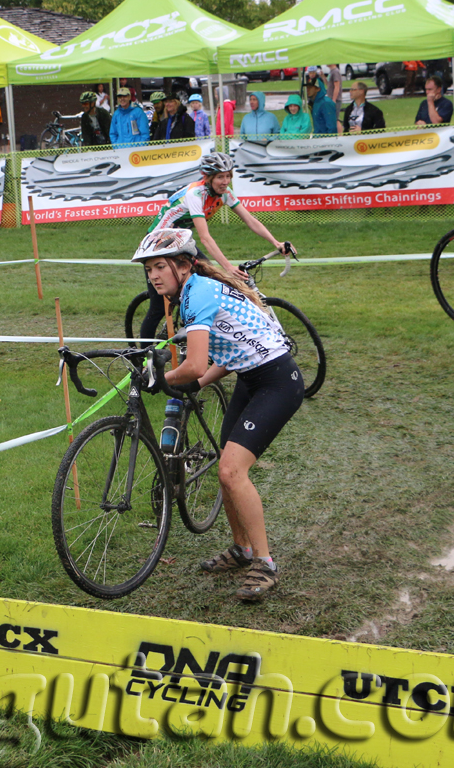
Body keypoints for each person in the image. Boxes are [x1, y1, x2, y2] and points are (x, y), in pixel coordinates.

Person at [131, 227, 303, 601]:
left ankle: (265, 563)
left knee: (231, 470)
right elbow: (231, 351)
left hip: (278, 382)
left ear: (183, 265)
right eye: (148, 271)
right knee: (227, 469)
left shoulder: (198, 293)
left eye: (159, 267)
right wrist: (190, 383)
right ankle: (242, 550)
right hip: (250, 377)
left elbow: (193, 365)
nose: (153, 276)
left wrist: (157, 379)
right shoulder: (192, 291)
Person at [139, 151, 294, 342]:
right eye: (220, 176)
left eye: (228, 175)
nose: (225, 181)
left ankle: (195, 326)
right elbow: (205, 238)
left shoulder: (225, 194)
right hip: (158, 243)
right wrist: (228, 268)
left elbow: (250, 220)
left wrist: (276, 243)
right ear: (208, 177)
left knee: (208, 278)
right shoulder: (196, 194)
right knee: (157, 307)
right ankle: (139, 356)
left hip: (179, 240)